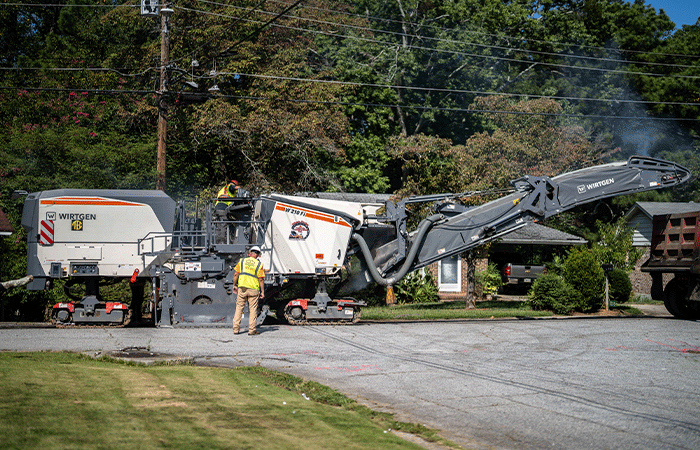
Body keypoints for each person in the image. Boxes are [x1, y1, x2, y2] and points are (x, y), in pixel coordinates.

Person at [232, 246, 265, 335]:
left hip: (242, 288)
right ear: (258, 255)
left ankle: (235, 329)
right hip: (253, 289)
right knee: (253, 310)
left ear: (250, 253)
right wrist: (262, 291)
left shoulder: (242, 261)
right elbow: (261, 279)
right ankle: (251, 330)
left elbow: (235, 274)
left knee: (239, 308)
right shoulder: (259, 265)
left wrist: (234, 285)